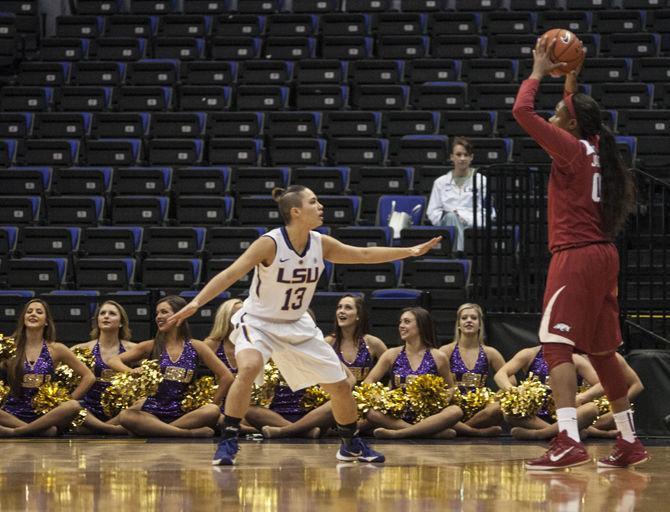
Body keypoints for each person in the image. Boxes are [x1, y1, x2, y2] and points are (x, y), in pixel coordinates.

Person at [166, 185, 441, 465]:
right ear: (296, 211)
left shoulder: (320, 243)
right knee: (248, 367)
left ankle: (350, 444)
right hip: (259, 321)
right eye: (314, 201)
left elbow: (364, 255)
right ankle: (227, 442)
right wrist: (195, 303)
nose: (320, 205)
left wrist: (409, 251)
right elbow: (230, 274)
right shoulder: (270, 243)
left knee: (342, 385)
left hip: (298, 324)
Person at [512, 35, 647, 469]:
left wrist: (536, 72)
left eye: (559, 115)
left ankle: (568, 438)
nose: (552, 118)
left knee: (555, 345)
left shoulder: (569, 150)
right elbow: (570, 111)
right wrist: (570, 81)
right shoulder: (595, 150)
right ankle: (628, 440)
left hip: (575, 256)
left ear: (569, 127)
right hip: (603, 256)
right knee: (604, 353)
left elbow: (522, 111)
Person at [261, 294, 387, 439]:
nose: (341, 311)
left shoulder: (373, 343)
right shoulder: (327, 342)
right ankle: (310, 429)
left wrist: (374, 394)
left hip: (361, 401)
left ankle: (294, 431)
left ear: (358, 315)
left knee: (371, 415)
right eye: (339, 307)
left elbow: (390, 368)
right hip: (333, 398)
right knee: (335, 402)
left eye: (347, 308)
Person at [108, 296, 234, 438]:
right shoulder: (151, 345)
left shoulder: (197, 346)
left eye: (164, 312)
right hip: (152, 412)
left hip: (184, 413)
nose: (158, 317)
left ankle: (158, 430)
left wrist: (214, 403)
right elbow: (113, 360)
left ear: (180, 315)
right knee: (126, 416)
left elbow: (227, 377)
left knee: (211, 411)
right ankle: (186, 434)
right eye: (157, 313)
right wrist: (132, 371)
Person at [0, 299, 95, 436]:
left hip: (46, 414)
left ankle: (16, 432)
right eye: (29, 311)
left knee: (73, 406)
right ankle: (33, 430)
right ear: (23, 319)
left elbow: (89, 376)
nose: (33, 314)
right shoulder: (9, 346)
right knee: (50, 430)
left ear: (46, 321)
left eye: (39, 312)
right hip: (12, 412)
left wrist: (67, 399)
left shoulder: (57, 349)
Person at [364, 307, 462, 439]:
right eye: (400, 322)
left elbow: (451, 388)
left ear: (421, 326)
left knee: (455, 411)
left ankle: (399, 433)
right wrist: (378, 396)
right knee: (370, 412)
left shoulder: (438, 356)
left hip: (427, 414)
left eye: (407, 322)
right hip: (397, 414)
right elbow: (369, 381)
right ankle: (428, 432)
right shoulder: (391, 354)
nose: (401, 326)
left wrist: (443, 398)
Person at [494, 345, 600, 440]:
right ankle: (562, 432)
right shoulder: (529, 354)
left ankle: (540, 434)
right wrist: (514, 391)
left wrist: (582, 397)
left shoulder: (575, 359)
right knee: (509, 413)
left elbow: (602, 384)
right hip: (534, 417)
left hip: (565, 414)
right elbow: (500, 374)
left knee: (591, 409)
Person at [439, 303, 506, 436]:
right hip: (453, 406)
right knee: (440, 410)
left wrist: (493, 399)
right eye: (464, 318)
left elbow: (511, 380)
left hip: (481, 411)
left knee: (498, 408)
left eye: (474, 318)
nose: (469, 320)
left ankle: (463, 429)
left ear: (480, 324)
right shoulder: (446, 351)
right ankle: (475, 432)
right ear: (458, 324)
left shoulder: (490, 352)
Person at [71, 300, 137, 435]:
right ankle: (110, 429)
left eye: (112, 313)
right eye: (102, 313)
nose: (106, 316)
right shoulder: (82, 349)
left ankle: (98, 428)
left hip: (121, 409)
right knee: (71, 407)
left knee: (142, 406)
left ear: (121, 322)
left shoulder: (133, 348)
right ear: (97, 321)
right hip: (90, 408)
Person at [426, 136, 495, 252]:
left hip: (473, 228)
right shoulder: (440, 182)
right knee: (451, 217)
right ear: (452, 157)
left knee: (455, 219)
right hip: (446, 229)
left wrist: (464, 219)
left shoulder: (481, 181)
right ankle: (460, 253)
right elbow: (432, 212)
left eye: (466, 155)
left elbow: (489, 213)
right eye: (458, 154)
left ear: (471, 157)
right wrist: (450, 219)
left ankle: (456, 255)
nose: (462, 158)